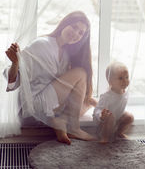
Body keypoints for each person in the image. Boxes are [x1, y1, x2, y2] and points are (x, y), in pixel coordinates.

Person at [4, 11, 97, 145]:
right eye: (74, 27)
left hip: (50, 104)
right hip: (33, 105)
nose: (76, 34)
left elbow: (67, 89)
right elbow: (14, 81)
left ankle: (61, 122)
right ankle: (73, 128)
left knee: (88, 101)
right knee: (81, 73)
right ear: (65, 23)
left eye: (80, 33)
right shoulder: (41, 45)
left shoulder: (65, 54)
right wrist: (15, 63)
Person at [93, 62, 134, 143]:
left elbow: (118, 107)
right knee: (110, 117)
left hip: (117, 117)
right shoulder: (107, 96)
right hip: (104, 122)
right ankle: (104, 137)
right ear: (110, 82)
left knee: (130, 117)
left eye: (127, 77)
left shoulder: (125, 92)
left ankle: (119, 132)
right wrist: (101, 115)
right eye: (120, 78)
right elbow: (97, 110)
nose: (125, 81)